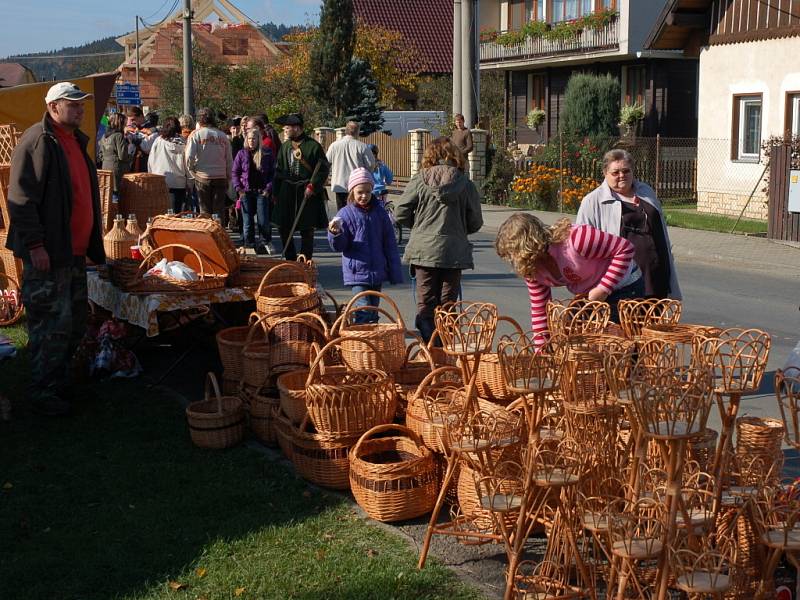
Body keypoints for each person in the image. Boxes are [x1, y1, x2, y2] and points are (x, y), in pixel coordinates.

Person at [5, 82, 105, 416]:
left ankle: (59, 382)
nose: (79, 109)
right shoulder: (38, 140)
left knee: (74, 321)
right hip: (48, 253)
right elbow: (20, 199)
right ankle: (43, 391)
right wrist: (35, 245)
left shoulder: (75, 141)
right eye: (72, 104)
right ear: (53, 107)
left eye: (81, 104)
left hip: (72, 253)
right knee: (50, 324)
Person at [394, 137, 483, 342]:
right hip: (454, 251)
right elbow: (476, 221)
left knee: (426, 303)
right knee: (448, 304)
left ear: (429, 156)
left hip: (424, 251)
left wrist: (418, 226)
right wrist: (459, 229)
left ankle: (431, 345)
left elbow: (400, 212)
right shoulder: (465, 184)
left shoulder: (420, 180)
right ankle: (445, 351)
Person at [495, 214, 641, 337]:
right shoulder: (531, 269)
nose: (513, 261)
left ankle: (632, 369)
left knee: (613, 339)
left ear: (527, 245)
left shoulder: (578, 238)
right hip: (590, 295)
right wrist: (542, 353)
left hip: (625, 284)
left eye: (513, 254)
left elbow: (624, 249)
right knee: (572, 332)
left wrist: (604, 288)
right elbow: (540, 310)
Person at [577, 148, 681, 300]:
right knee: (627, 323)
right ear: (605, 173)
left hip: (656, 276)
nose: (621, 176)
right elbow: (582, 244)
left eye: (626, 171)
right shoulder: (593, 201)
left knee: (655, 324)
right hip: (623, 283)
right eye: (615, 172)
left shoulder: (646, 191)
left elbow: (662, 232)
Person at [327, 167, 403, 323]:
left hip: (377, 272)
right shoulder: (345, 214)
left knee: (374, 312)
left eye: (368, 192)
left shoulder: (380, 213)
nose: (364, 196)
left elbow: (390, 244)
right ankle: (360, 341)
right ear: (352, 192)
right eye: (360, 192)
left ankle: (370, 342)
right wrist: (335, 233)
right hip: (357, 274)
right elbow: (339, 246)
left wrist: (394, 271)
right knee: (364, 311)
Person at [272, 113, 330, 261]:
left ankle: (305, 258)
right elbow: (278, 170)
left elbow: (323, 168)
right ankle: (290, 258)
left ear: (297, 128)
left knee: (307, 228)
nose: (285, 129)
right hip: (287, 191)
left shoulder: (313, 146)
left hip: (307, 191)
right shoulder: (285, 147)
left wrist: (313, 185)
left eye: (288, 127)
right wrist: (275, 192)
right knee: (283, 226)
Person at [232, 128, 276, 254]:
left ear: (258, 140)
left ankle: (265, 242)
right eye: (249, 138)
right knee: (247, 221)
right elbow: (235, 172)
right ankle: (249, 243)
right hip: (246, 191)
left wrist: (268, 189)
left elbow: (272, 173)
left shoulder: (266, 153)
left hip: (261, 191)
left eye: (254, 138)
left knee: (263, 220)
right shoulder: (241, 153)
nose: (251, 141)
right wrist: (238, 189)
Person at [185, 107, 232, 223]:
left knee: (205, 211)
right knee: (219, 211)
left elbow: (189, 157)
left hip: (202, 177)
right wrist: (228, 176)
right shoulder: (223, 136)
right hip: (220, 176)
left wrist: (192, 171)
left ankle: (208, 238)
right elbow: (229, 159)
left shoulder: (196, 135)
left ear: (199, 120)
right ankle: (219, 236)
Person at [326, 120, 376, 210]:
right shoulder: (362, 146)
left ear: (346, 130)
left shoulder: (334, 146)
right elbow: (371, 165)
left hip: (339, 185)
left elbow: (326, 163)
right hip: (357, 186)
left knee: (341, 213)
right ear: (357, 131)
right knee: (356, 213)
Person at [147, 116, 189, 213]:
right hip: (179, 183)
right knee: (176, 214)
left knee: (160, 213)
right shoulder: (184, 143)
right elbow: (188, 164)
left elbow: (151, 161)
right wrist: (189, 183)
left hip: (160, 180)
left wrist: (151, 177)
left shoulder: (158, 141)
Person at [97, 112, 132, 202]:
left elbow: (100, 154)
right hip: (117, 169)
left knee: (109, 194)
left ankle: (111, 213)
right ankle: (117, 214)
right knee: (118, 196)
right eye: (124, 122)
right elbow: (122, 156)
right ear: (120, 123)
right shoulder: (119, 136)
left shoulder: (104, 136)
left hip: (106, 168)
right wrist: (131, 156)